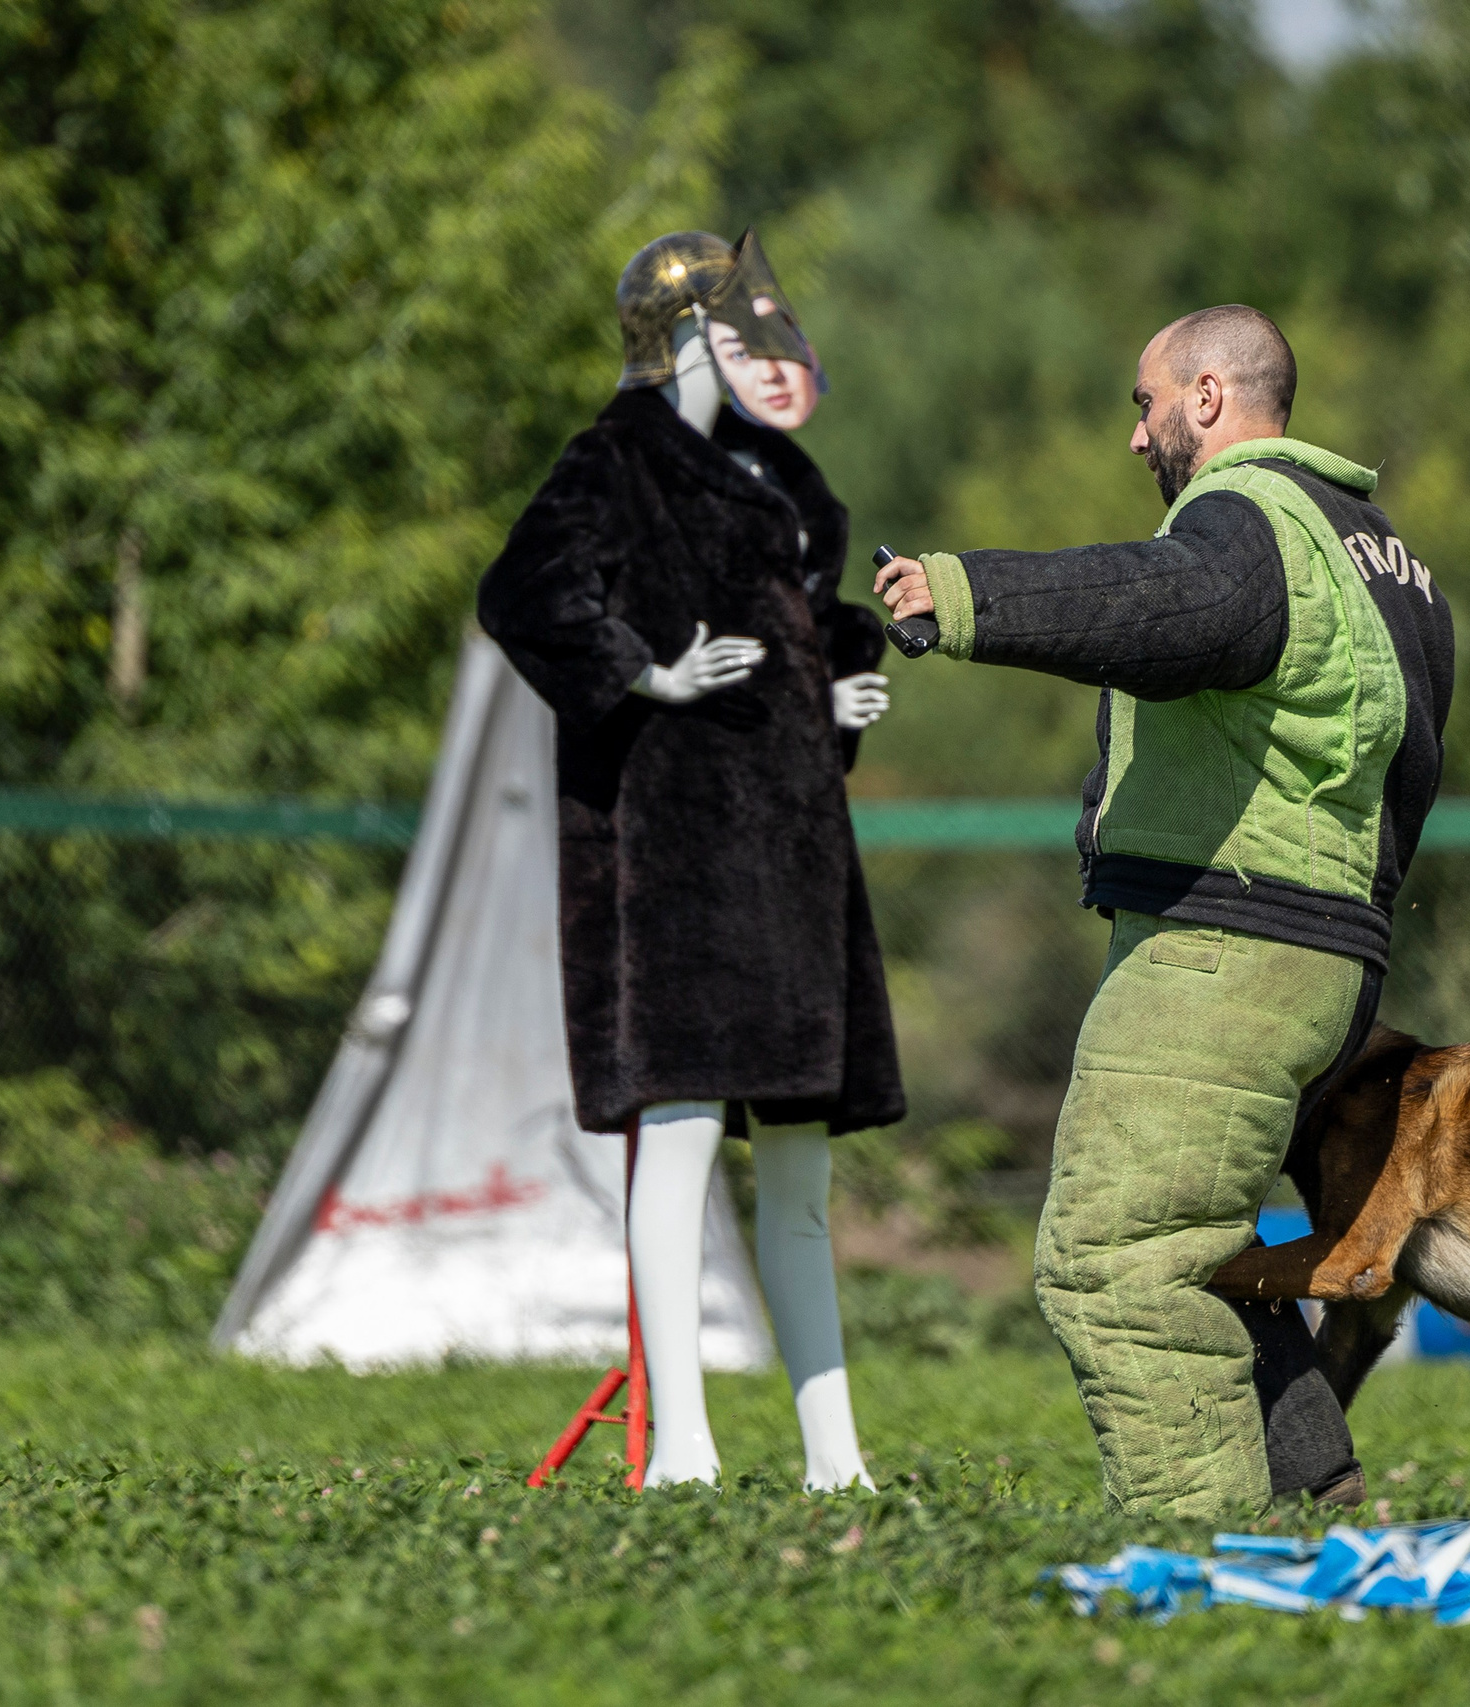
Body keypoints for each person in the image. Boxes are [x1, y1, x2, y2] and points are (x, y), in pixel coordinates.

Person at [874, 305, 1454, 1518]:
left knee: (1117, 1266)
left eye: (1143, 406)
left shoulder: (1249, 525)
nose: (1135, 439)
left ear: (1206, 396)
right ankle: (1314, 1506)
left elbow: (1162, 605)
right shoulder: (1379, 551)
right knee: (1200, 1260)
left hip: (1232, 945)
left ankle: (1206, 1568)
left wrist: (965, 595)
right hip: (1325, 951)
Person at [478, 229, 903, 1491]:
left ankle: (836, 1457)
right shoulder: (612, 463)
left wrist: (836, 697)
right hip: (672, 858)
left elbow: (808, 633)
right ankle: (683, 1449)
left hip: (791, 852)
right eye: (736, 322)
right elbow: (523, 593)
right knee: (676, 1136)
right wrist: (644, 678)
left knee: (798, 1165)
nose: (763, 346)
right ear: (684, 338)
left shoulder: (785, 478)